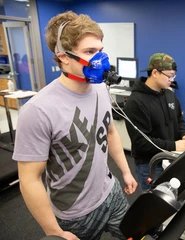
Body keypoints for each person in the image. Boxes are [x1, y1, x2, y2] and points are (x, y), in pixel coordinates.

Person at [12, 11, 137, 240]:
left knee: (135, 235)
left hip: (111, 191)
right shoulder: (38, 110)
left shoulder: (100, 89)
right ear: (63, 57)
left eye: (100, 50)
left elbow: (109, 132)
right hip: (75, 214)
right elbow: (29, 180)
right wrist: (55, 232)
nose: (100, 58)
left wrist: (126, 172)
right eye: (89, 52)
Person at [124, 53, 185, 190]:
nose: (172, 79)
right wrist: (174, 145)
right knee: (155, 206)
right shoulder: (136, 102)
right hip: (150, 164)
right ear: (155, 72)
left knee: (172, 201)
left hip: (170, 159)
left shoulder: (169, 94)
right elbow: (141, 143)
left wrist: (184, 134)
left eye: (174, 75)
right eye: (169, 75)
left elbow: (178, 120)